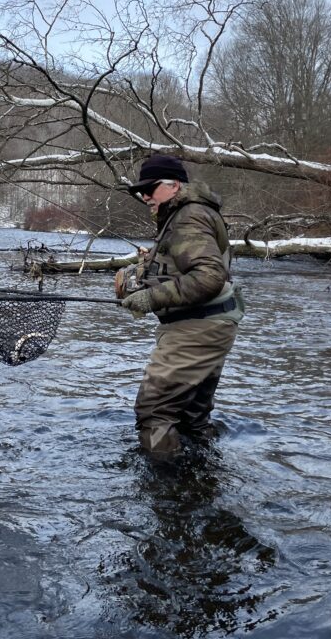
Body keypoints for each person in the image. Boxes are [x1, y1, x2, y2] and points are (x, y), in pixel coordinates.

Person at [117, 154, 244, 457]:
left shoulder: (188, 216)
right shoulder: (192, 212)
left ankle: (167, 491)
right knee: (190, 419)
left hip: (196, 329)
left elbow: (209, 276)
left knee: (154, 412)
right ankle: (200, 482)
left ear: (174, 185)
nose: (145, 196)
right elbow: (199, 266)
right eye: (140, 191)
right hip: (213, 325)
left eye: (150, 188)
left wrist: (151, 297)